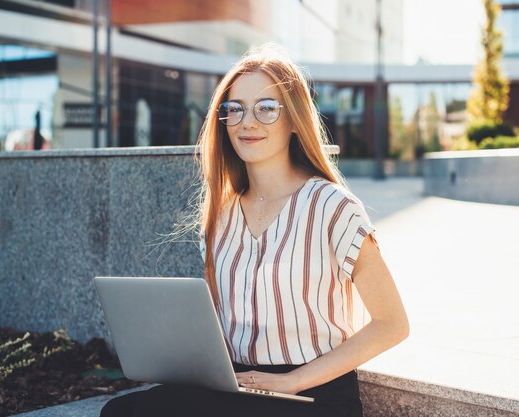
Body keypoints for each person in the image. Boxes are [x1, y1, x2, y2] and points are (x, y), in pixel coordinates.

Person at [100, 45, 409, 417]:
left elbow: (392, 324)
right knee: (122, 412)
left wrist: (292, 381)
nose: (248, 122)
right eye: (235, 109)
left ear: (294, 119)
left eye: (266, 108)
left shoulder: (332, 205)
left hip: (315, 394)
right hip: (242, 387)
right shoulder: (221, 215)